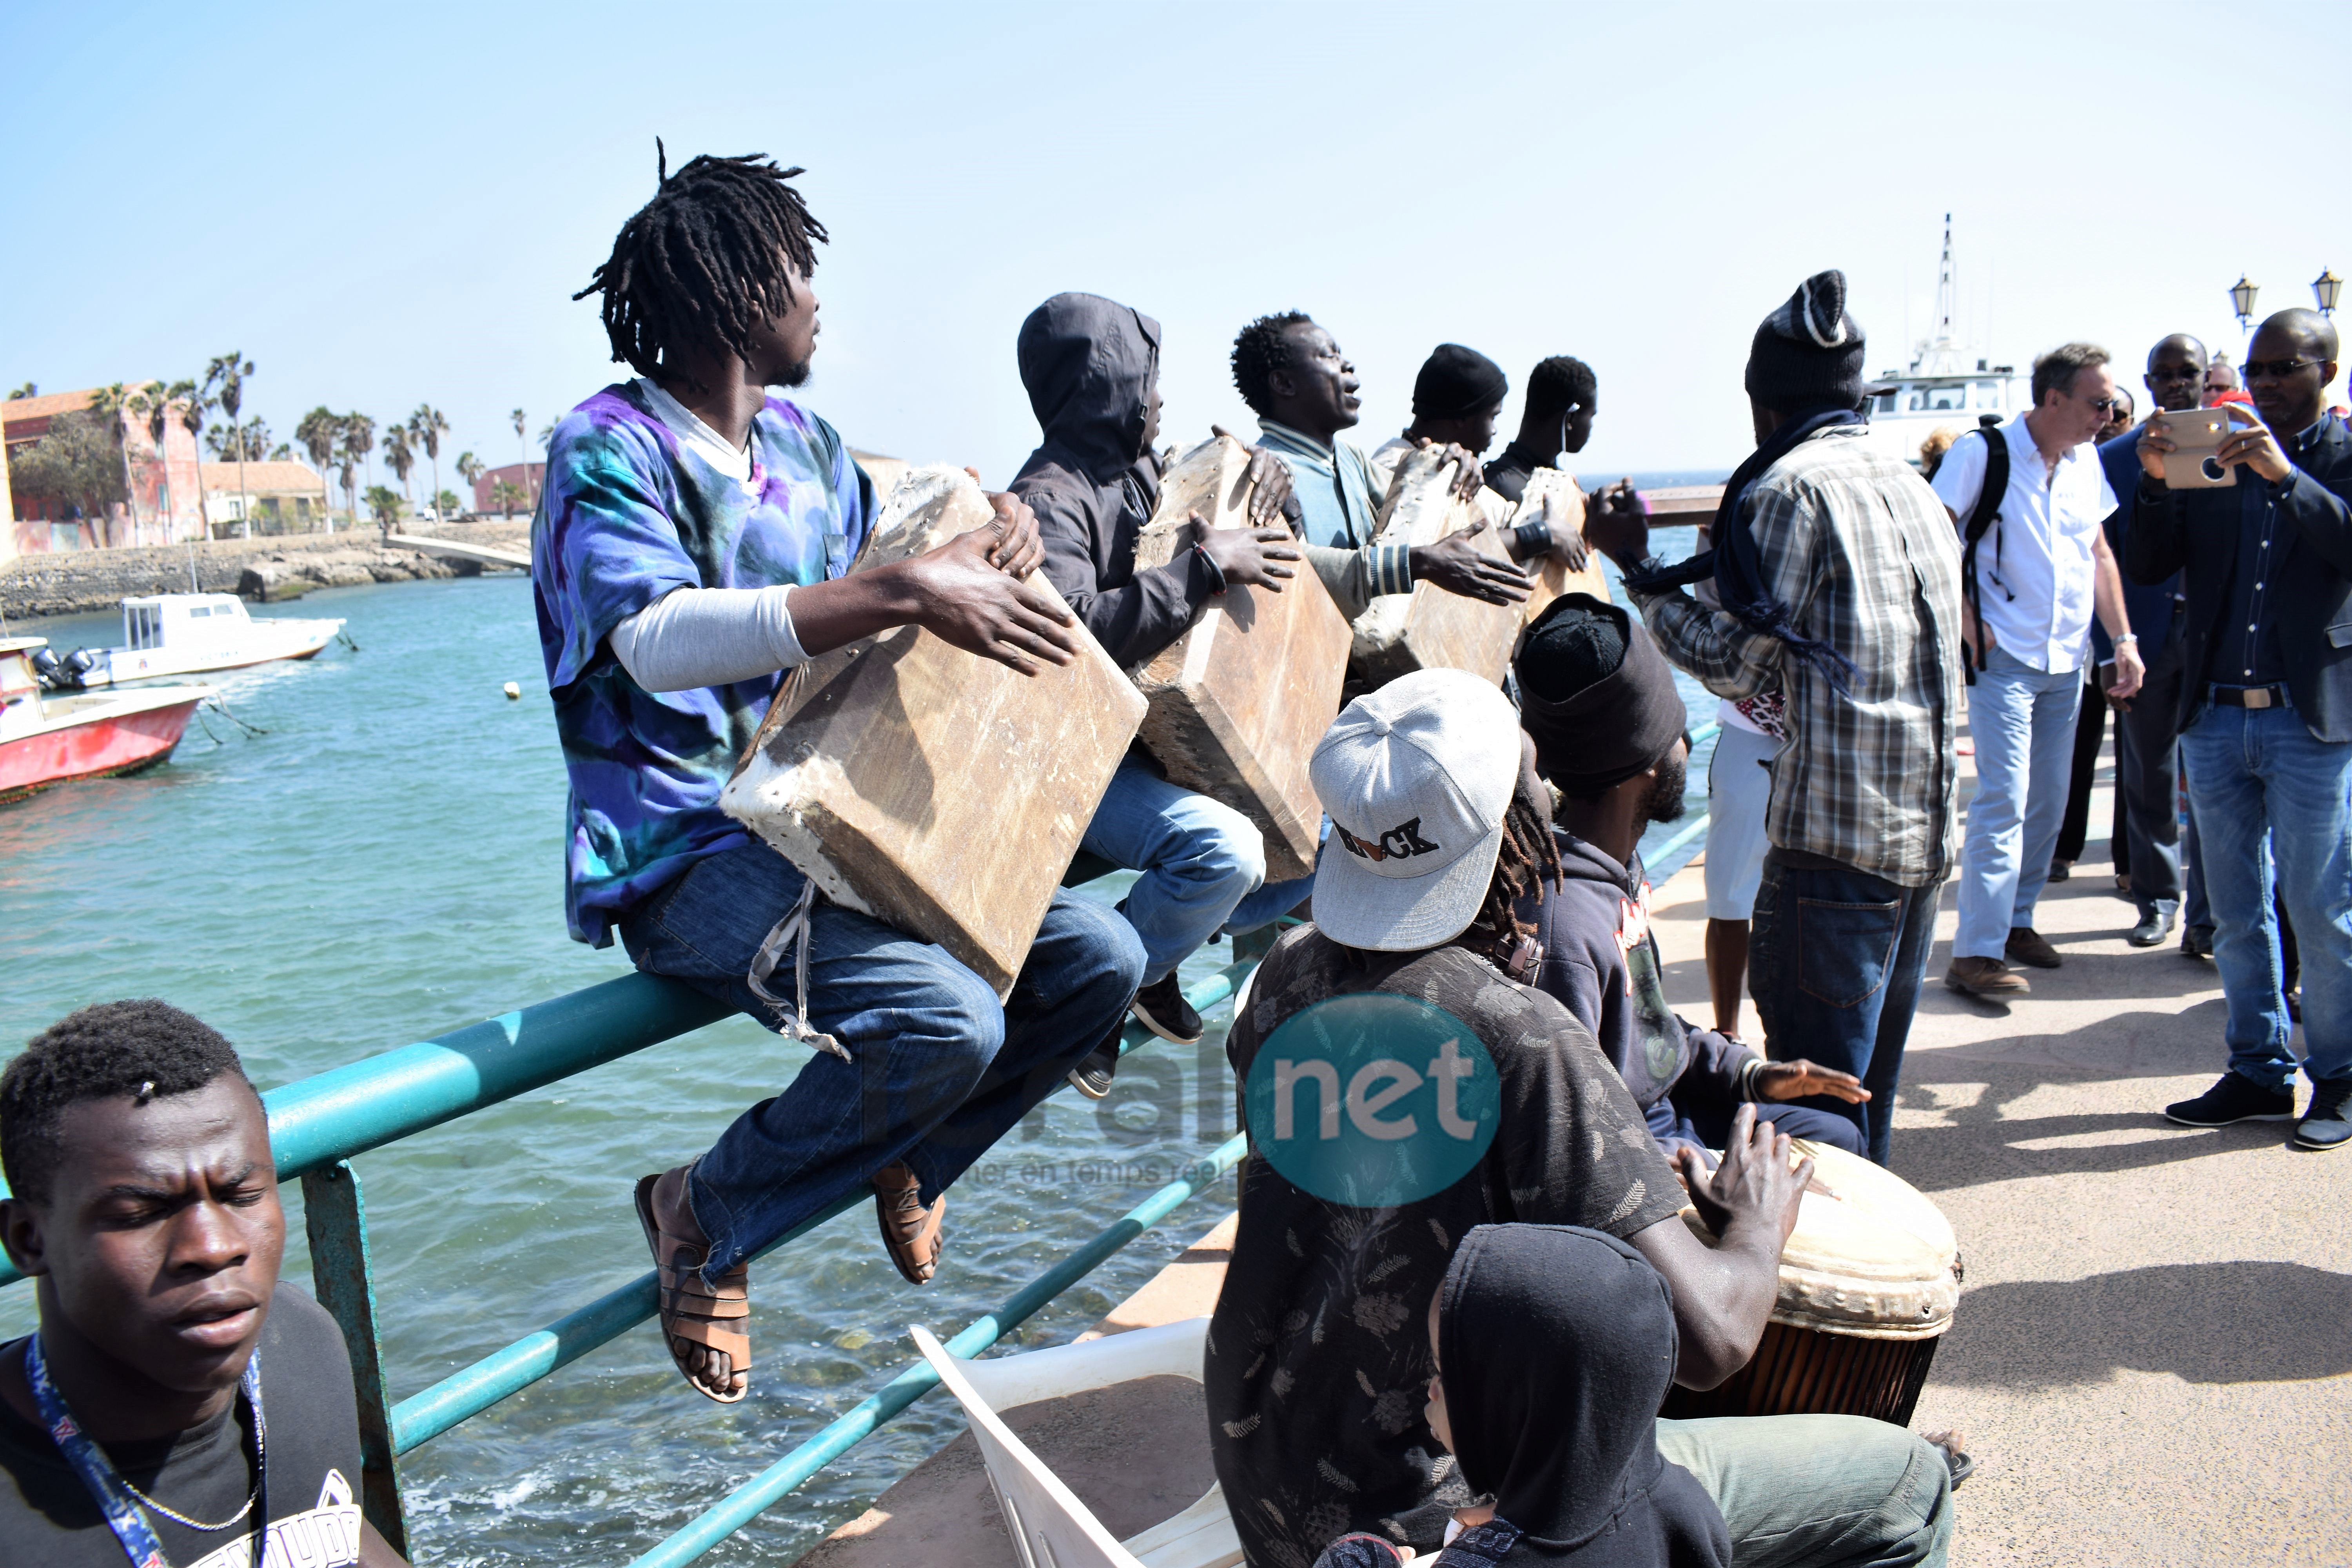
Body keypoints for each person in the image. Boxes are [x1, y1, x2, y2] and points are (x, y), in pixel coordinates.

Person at [533, 151, 1144, 1402]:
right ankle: (702, 1207)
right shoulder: (605, 447)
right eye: (798, 271)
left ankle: (913, 1158)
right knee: (946, 1020)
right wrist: (903, 589)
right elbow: (652, 642)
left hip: (832, 820)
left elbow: (903, 526)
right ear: (735, 287)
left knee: (1101, 961)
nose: (818, 299)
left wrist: (988, 527)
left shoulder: (807, 440)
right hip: (686, 851)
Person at [1206, 668, 1953, 1568]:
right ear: (1514, 834)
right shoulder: (1518, 1039)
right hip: (1436, 1522)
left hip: (1276, 1490)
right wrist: (1757, 1227)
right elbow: (1712, 1341)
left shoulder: (1283, 976)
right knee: (1907, 1484)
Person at [1586, 270, 1965, 1166]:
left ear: (1760, 401)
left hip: (1835, 853)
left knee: (1822, 1116)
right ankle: (1887, 1290)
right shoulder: (1912, 485)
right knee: (1869, 1098)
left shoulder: (1787, 492)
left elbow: (1733, 665)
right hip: (1919, 848)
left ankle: (1829, 1301)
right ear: (1858, 394)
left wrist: (1637, 568)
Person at [1010, 292, 1311, 1087]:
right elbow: (1071, 634)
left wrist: (1268, 483)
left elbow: (1217, 507)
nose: (1163, 396)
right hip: (1077, 758)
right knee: (1227, 850)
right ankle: (1101, 982)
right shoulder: (1050, 497)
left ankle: (1149, 955)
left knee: (1320, 822)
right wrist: (1204, 571)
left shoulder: (1137, 469)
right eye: (1148, 378)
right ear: (1105, 385)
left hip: (1144, 744)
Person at [0, 1000, 408, 1568]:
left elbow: (333, 1530)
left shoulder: (301, 1342)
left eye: (241, 1196)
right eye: (140, 1212)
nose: (214, 1247)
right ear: (27, 1239)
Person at [1512, 594, 1867, 1158]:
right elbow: (1576, 1140)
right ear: (1651, 761)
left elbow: (1643, 1030)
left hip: (1672, 1107)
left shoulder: (1616, 865)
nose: (1687, 744)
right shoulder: (1564, 934)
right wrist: (1706, 1166)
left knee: (1838, 1129)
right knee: (1831, 1168)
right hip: (1642, 1156)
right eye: (1679, 728)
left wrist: (1747, 1073)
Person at [2130, 309, 2352, 1151]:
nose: (2260, 383)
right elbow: (2150, 563)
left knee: (2322, 904)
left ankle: (2337, 1074)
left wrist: (2285, 474)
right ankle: (2258, 1068)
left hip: (2312, 720)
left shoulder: (2340, 457)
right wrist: (2155, 479)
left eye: (2282, 366)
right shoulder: (2210, 459)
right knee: (2233, 908)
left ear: (2326, 370)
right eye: (2254, 368)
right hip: (2216, 716)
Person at [1312, 1224, 1735, 1568]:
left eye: (1444, 1371)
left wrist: (1362, 1556)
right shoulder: (1686, 1504)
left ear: (1512, 1413)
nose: (1432, 1387)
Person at [1928, 343, 2145, 998]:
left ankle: (2016, 921)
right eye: (2098, 402)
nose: (2107, 415)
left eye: (2111, 403)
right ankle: (1976, 953)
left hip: (2066, 659)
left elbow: (2100, 554)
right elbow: (1936, 538)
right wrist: (1968, 622)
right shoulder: (1981, 454)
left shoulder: (2085, 464)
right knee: (2004, 801)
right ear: (2054, 399)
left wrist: (2123, 641)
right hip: (2005, 661)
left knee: (2049, 804)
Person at [1229, 314, 1530, 621]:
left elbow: (1420, 508)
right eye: (1329, 355)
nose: (1347, 365)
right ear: (1284, 383)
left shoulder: (1351, 459)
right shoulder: (1262, 472)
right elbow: (1293, 567)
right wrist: (1416, 564)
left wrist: (1451, 464)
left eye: (1341, 353)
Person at [2084, 334, 2208, 946]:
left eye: (2188, 372)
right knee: (2147, 779)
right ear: (2151, 381)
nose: (2176, 382)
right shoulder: (2116, 460)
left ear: (2204, 377)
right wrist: (2110, 652)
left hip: (2217, 638)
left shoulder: (2237, 447)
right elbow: (2097, 560)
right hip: (2144, 641)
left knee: (2216, 781)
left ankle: (2211, 918)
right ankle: (2158, 901)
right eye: (2165, 374)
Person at [1482, 356, 1596, 505]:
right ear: (1570, 419)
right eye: (1591, 415)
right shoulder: (1503, 488)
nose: (1592, 426)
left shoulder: (1498, 480)